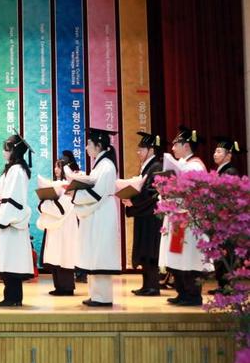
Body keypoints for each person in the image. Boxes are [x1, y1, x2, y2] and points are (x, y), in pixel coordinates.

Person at [158, 125, 210, 306]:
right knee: (177, 256)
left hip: (189, 218)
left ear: (186, 146)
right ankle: (182, 292)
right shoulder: (184, 165)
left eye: (176, 144)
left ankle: (192, 295)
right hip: (178, 217)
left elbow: (190, 193)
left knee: (188, 257)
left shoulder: (194, 166)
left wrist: (170, 190)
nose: (173, 148)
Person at [72, 128, 121, 307]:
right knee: (95, 253)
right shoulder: (100, 165)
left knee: (100, 254)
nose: (86, 147)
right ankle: (95, 294)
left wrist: (75, 193)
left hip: (102, 213)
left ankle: (103, 297)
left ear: (98, 145)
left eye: (89, 144)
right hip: (98, 212)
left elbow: (96, 193)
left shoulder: (106, 166)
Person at [121, 132, 164, 296]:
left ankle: (153, 286)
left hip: (152, 216)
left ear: (151, 150)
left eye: (142, 149)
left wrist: (133, 201)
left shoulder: (156, 167)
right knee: (144, 250)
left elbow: (152, 192)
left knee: (150, 250)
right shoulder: (148, 166)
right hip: (144, 214)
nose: (138, 152)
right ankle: (146, 285)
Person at [0, 133, 34, 307]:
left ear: (14, 150)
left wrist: (3, 219)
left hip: (11, 222)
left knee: (12, 261)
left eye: (7, 148)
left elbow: (13, 198)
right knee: (8, 259)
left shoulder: (17, 170)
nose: (4, 151)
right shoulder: (12, 169)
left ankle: (13, 297)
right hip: (7, 219)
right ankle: (10, 296)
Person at [37, 152, 79, 296]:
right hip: (55, 226)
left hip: (66, 226)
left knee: (65, 256)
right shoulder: (57, 184)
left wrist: (43, 204)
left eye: (59, 166)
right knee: (56, 256)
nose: (56, 169)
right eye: (55, 166)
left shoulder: (69, 186)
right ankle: (59, 286)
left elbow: (61, 209)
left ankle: (67, 287)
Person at [209, 136, 244, 294]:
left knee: (226, 252)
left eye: (219, 151)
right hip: (218, 219)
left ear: (228, 155)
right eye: (215, 151)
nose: (215, 154)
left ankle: (228, 286)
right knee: (220, 252)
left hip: (226, 220)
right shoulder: (220, 171)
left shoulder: (230, 171)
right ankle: (222, 285)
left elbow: (228, 197)